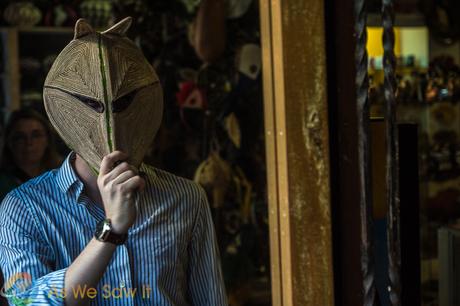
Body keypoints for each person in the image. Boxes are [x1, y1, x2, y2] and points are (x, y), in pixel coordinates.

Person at [0, 17, 227, 305]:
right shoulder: (24, 208)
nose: (109, 122)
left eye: (123, 103)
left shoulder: (186, 198)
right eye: (92, 105)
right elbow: (27, 302)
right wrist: (110, 231)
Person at [0, 108, 61, 200]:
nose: (29, 142)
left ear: (48, 140)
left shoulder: (62, 174)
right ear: (9, 142)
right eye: (20, 137)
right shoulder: (3, 182)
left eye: (36, 135)